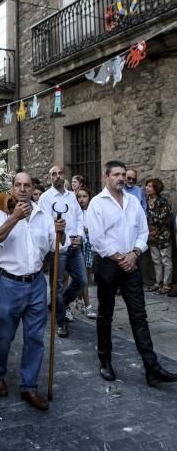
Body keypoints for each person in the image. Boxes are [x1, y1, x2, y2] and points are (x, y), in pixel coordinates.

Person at [87, 160, 177, 386]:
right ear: (105, 176)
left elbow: (143, 231)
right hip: (108, 265)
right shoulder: (97, 204)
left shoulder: (133, 202)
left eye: (122, 174)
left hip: (132, 264)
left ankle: (152, 367)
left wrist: (135, 254)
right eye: (116, 174)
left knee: (139, 316)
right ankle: (105, 361)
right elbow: (97, 239)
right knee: (105, 315)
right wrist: (120, 258)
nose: (120, 178)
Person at [0, 172, 66, 411]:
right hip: (9, 283)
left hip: (36, 284)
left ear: (33, 189)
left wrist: (61, 231)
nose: (22, 189)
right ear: (12, 188)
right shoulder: (1, 214)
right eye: (18, 185)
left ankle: (29, 385)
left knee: (34, 337)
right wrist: (14, 218)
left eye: (27, 186)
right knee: (5, 334)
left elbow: (56, 246)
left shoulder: (43, 215)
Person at [38, 165, 87, 338]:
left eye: (60, 173)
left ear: (64, 176)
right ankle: (61, 321)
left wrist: (79, 236)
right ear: (50, 177)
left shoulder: (71, 197)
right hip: (57, 248)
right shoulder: (45, 198)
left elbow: (80, 218)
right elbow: (42, 222)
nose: (57, 176)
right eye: (54, 174)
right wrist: (54, 228)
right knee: (57, 287)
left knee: (82, 281)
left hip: (74, 246)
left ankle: (58, 304)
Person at [145, 178, 174, 295]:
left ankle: (167, 284)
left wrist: (153, 230)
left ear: (156, 189)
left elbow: (164, 219)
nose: (147, 188)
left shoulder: (163, 201)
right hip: (152, 236)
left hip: (163, 235)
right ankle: (158, 283)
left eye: (150, 186)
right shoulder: (146, 201)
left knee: (166, 260)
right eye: (147, 186)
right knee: (156, 260)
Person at [75, 187, 97, 319]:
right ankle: (87, 305)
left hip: (90, 245)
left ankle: (78, 300)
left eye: (84, 196)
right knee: (82, 276)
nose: (82, 199)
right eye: (79, 197)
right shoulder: (76, 212)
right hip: (80, 244)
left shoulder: (93, 211)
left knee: (86, 276)